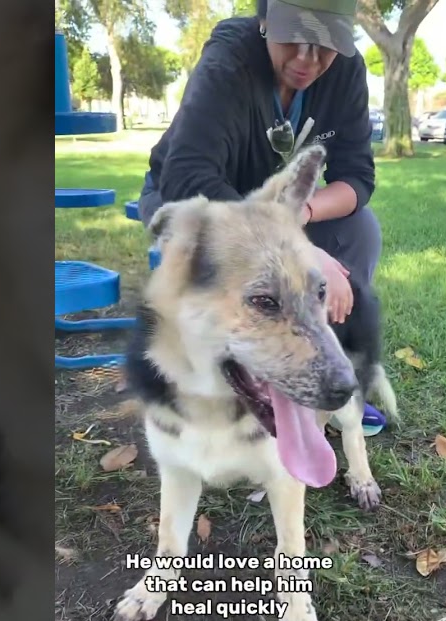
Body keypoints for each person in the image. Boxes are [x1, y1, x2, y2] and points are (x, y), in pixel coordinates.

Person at [136, 0, 389, 430]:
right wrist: (297, 247)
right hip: (198, 202)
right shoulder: (228, 60)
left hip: (278, 212)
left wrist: (300, 215)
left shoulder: (346, 71)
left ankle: (327, 373)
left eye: (326, 44)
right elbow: (186, 175)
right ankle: (243, 378)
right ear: (265, 20)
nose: (307, 60)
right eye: (294, 38)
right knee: (254, 282)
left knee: (360, 230)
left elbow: (357, 178)